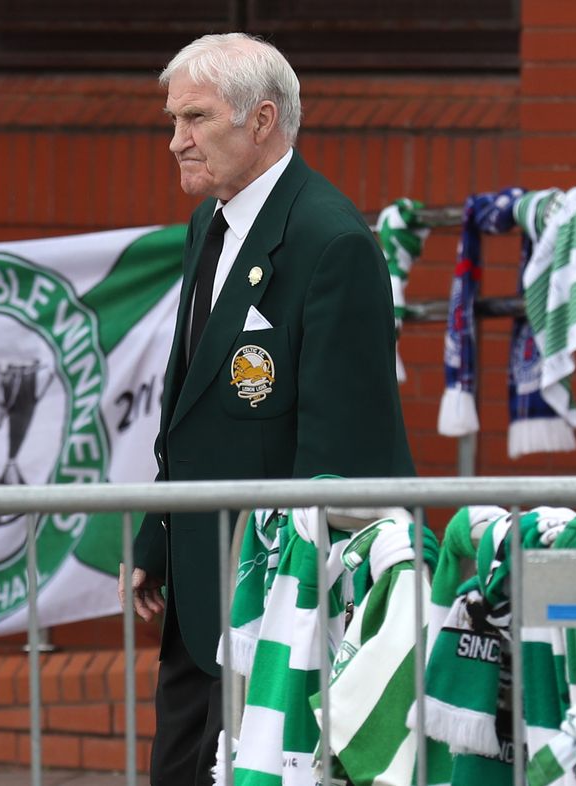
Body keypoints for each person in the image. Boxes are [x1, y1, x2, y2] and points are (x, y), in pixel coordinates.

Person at [118, 33, 415, 786]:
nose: (176, 141)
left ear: (262, 120)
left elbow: (345, 450)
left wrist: (306, 604)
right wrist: (158, 535)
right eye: (172, 119)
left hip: (278, 604)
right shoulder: (208, 225)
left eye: (196, 118)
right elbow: (194, 408)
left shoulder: (331, 241)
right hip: (199, 588)